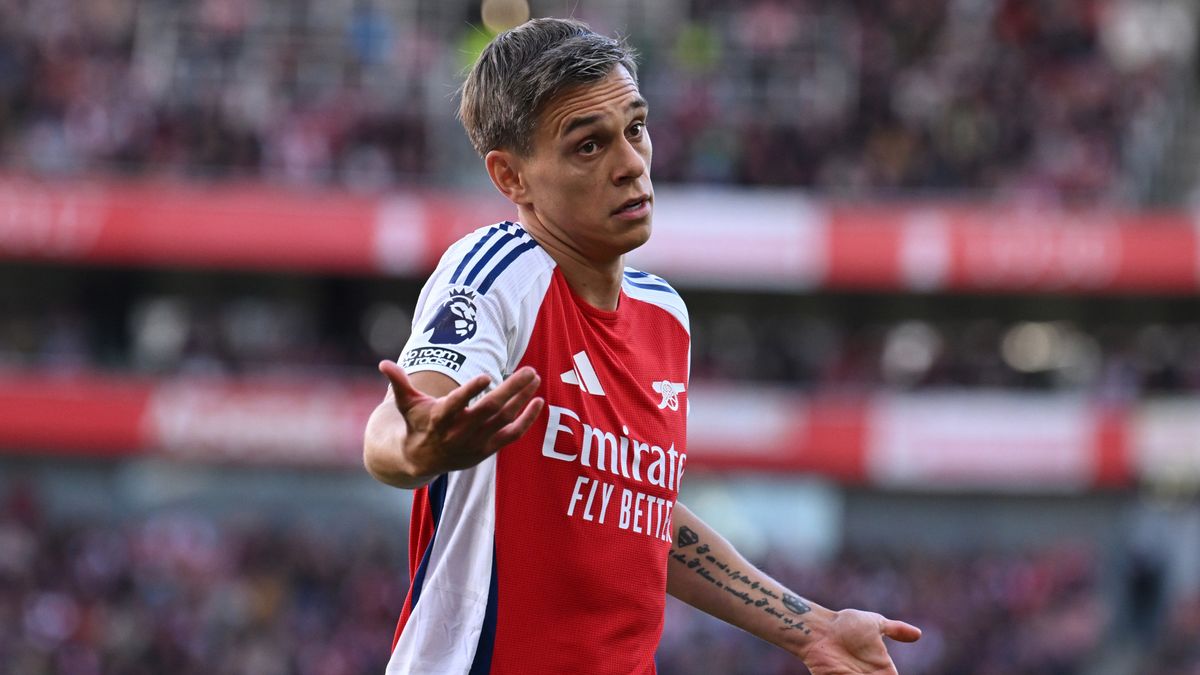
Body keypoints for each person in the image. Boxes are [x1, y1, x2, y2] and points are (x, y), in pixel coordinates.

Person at [363, 17, 921, 674]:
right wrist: (415, 447)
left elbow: (641, 512)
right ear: (511, 178)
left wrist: (810, 627)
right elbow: (401, 423)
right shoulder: (497, 273)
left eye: (634, 128)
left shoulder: (665, 312)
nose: (631, 164)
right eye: (588, 146)